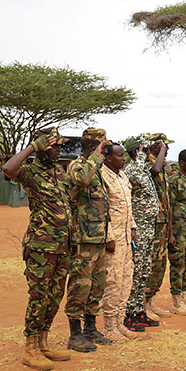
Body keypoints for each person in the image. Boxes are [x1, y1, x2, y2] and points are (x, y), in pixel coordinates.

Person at [2, 128, 76, 370]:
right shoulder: (31, 172)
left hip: (63, 245)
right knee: (39, 297)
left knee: (55, 296)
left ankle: (43, 342)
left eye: (59, 145)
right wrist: (33, 146)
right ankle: (30, 347)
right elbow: (8, 169)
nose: (58, 150)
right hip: (41, 247)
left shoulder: (59, 171)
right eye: (53, 145)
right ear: (42, 146)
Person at [63, 128, 112, 349]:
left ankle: (91, 329)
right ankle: (75, 335)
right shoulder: (78, 166)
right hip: (83, 240)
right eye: (103, 147)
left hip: (98, 239)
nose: (105, 152)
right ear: (92, 147)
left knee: (97, 287)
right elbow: (81, 180)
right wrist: (96, 157)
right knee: (79, 287)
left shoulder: (97, 169)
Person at [123, 134, 168, 327]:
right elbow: (140, 171)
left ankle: (139, 310)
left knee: (144, 271)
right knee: (136, 271)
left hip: (149, 228)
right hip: (139, 229)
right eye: (144, 150)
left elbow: (154, 169)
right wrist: (141, 155)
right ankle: (128, 314)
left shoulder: (144, 170)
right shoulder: (132, 169)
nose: (148, 153)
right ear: (136, 152)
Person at [99, 142, 139, 342]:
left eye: (124, 155)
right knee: (113, 281)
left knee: (126, 279)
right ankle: (109, 326)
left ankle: (120, 322)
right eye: (120, 156)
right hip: (113, 238)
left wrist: (132, 228)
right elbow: (102, 209)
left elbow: (127, 206)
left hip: (125, 237)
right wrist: (108, 236)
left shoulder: (122, 176)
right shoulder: (102, 177)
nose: (124, 159)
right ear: (108, 158)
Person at [143, 133, 174, 320]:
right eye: (163, 146)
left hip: (162, 222)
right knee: (151, 263)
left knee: (160, 264)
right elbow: (153, 170)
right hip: (151, 223)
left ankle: (151, 301)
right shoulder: (148, 165)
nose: (167, 148)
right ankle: (144, 303)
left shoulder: (162, 167)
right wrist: (161, 152)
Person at [166, 148, 186, 315]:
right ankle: (176, 300)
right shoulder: (174, 180)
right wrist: (170, 233)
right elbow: (169, 207)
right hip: (179, 228)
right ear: (181, 163)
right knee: (178, 263)